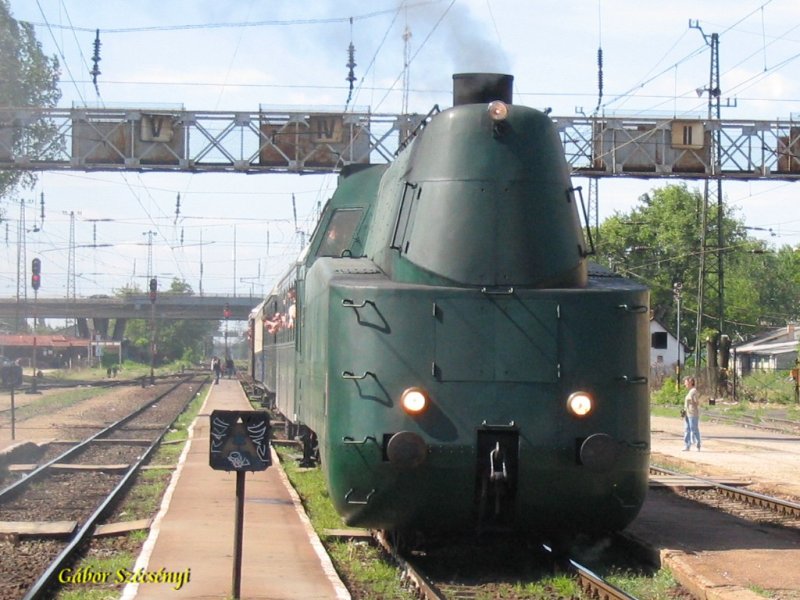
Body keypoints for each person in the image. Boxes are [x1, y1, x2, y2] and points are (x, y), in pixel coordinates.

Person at [683, 376, 701, 451]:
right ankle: (687, 445)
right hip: (687, 413)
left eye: (686, 382)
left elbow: (697, 402)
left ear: (691, 382)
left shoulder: (694, 391)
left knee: (694, 429)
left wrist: (693, 401)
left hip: (693, 413)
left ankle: (697, 445)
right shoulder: (690, 391)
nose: (685, 384)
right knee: (687, 429)